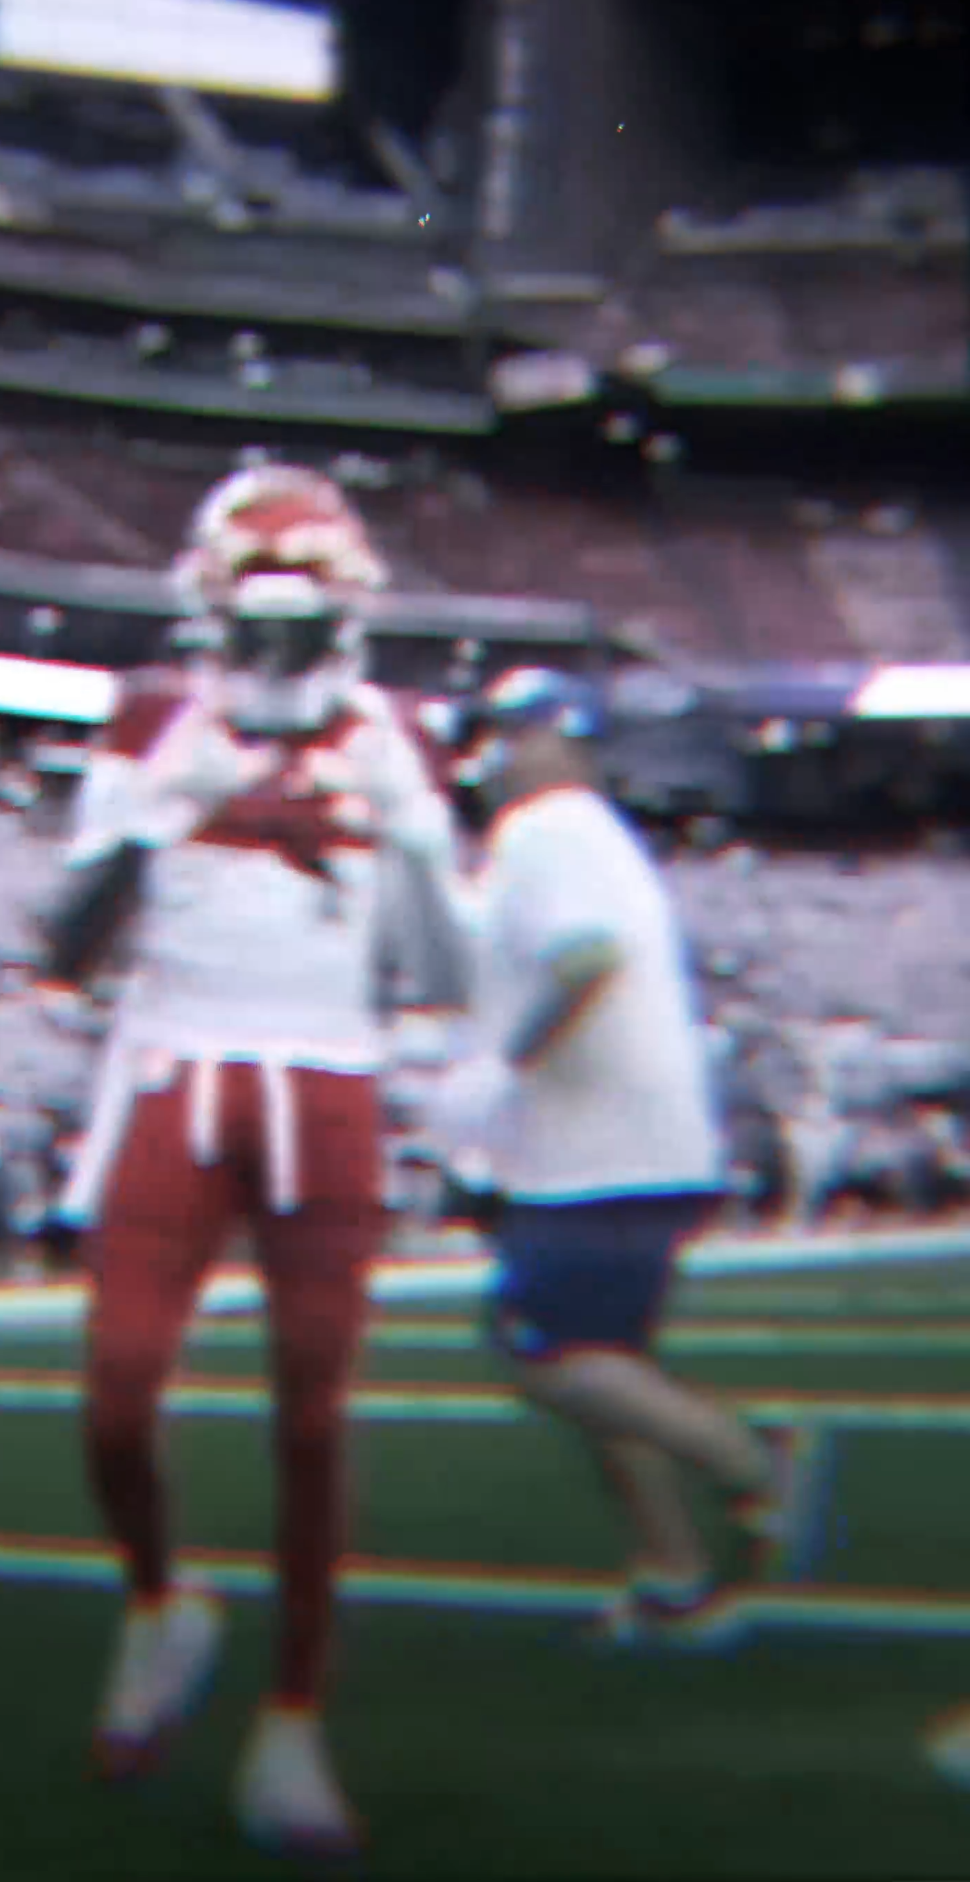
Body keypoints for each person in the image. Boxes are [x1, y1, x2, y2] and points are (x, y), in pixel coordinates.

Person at [36, 464, 468, 1857]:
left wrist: (417, 841)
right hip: (177, 1062)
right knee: (116, 1391)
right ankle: (163, 1601)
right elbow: (62, 946)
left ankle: (295, 1711)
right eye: (257, 608)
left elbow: (443, 975)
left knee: (313, 1413)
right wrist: (160, 810)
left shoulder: (396, 732)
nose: (277, 639)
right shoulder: (152, 718)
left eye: (303, 608)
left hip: (327, 1070)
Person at [430, 667, 803, 1646]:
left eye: (513, 734)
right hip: (626, 1142)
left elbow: (586, 960)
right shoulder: (584, 834)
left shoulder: (547, 829)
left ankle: (749, 1459)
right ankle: (673, 1575)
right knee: (611, 1365)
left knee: (542, 1348)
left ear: (561, 741)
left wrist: (505, 1066)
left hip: (599, 1149)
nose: (494, 756)